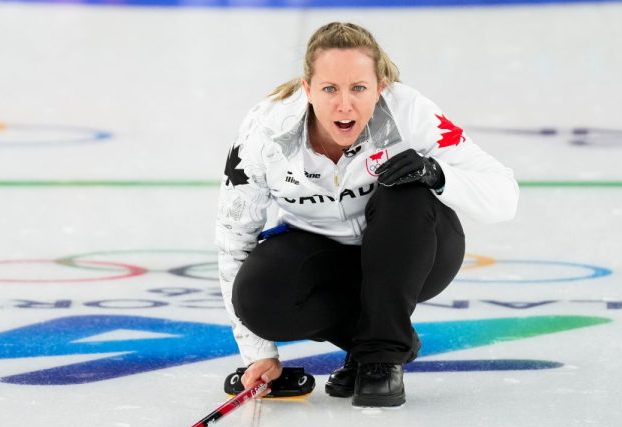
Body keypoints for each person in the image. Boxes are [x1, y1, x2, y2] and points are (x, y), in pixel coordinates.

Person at [216, 22, 518, 407]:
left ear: (380, 87)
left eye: (359, 88)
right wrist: (258, 354)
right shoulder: (264, 132)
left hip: (415, 249)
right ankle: (375, 338)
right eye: (329, 89)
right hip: (324, 259)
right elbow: (233, 239)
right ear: (307, 89)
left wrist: (436, 174)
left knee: (406, 191)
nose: (345, 105)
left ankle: (381, 357)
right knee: (258, 297)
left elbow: (505, 196)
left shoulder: (411, 113)